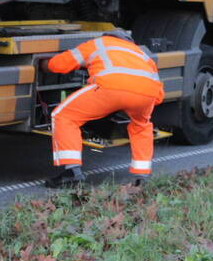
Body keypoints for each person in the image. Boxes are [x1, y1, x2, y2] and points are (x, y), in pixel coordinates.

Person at [42, 29, 164, 188]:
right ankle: (142, 176)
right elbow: (159, 95)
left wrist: (45, 65)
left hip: (109, 88)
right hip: (146, 95)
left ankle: (71, 171)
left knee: (63, 116)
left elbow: (61, 64)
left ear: (108, 36)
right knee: (141, 127)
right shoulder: (142, 55)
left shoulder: (98, 43)